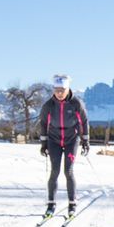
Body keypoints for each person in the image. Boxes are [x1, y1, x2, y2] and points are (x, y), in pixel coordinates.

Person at [38, 75, 89, 219]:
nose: (59, 93)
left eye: (62, 90)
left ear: (67, 89)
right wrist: (43, 143)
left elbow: (84, 122)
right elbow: (43, 124)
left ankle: (72, 204)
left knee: (68, 171)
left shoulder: (76, 103)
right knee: (54, 171)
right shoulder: (48, 105)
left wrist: (85, 140)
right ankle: (51, 204)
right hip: (54, 140)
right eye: (57, 90)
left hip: (71, 139)